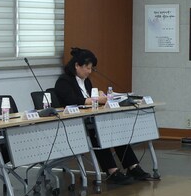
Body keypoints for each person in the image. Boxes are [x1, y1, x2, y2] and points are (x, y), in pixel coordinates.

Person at [52, 47, 157, 182]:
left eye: (91, 69)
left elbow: (90, 98)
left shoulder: (86, 81)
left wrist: (100, 97)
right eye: (87, 68)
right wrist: (96, 100)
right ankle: (111, 171)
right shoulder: (64, 81)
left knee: (115, 130)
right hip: (74, 123)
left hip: (90, 119)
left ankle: (132, 166)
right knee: (98, 134)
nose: (90, 72)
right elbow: (73, 101)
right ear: (77, 66)